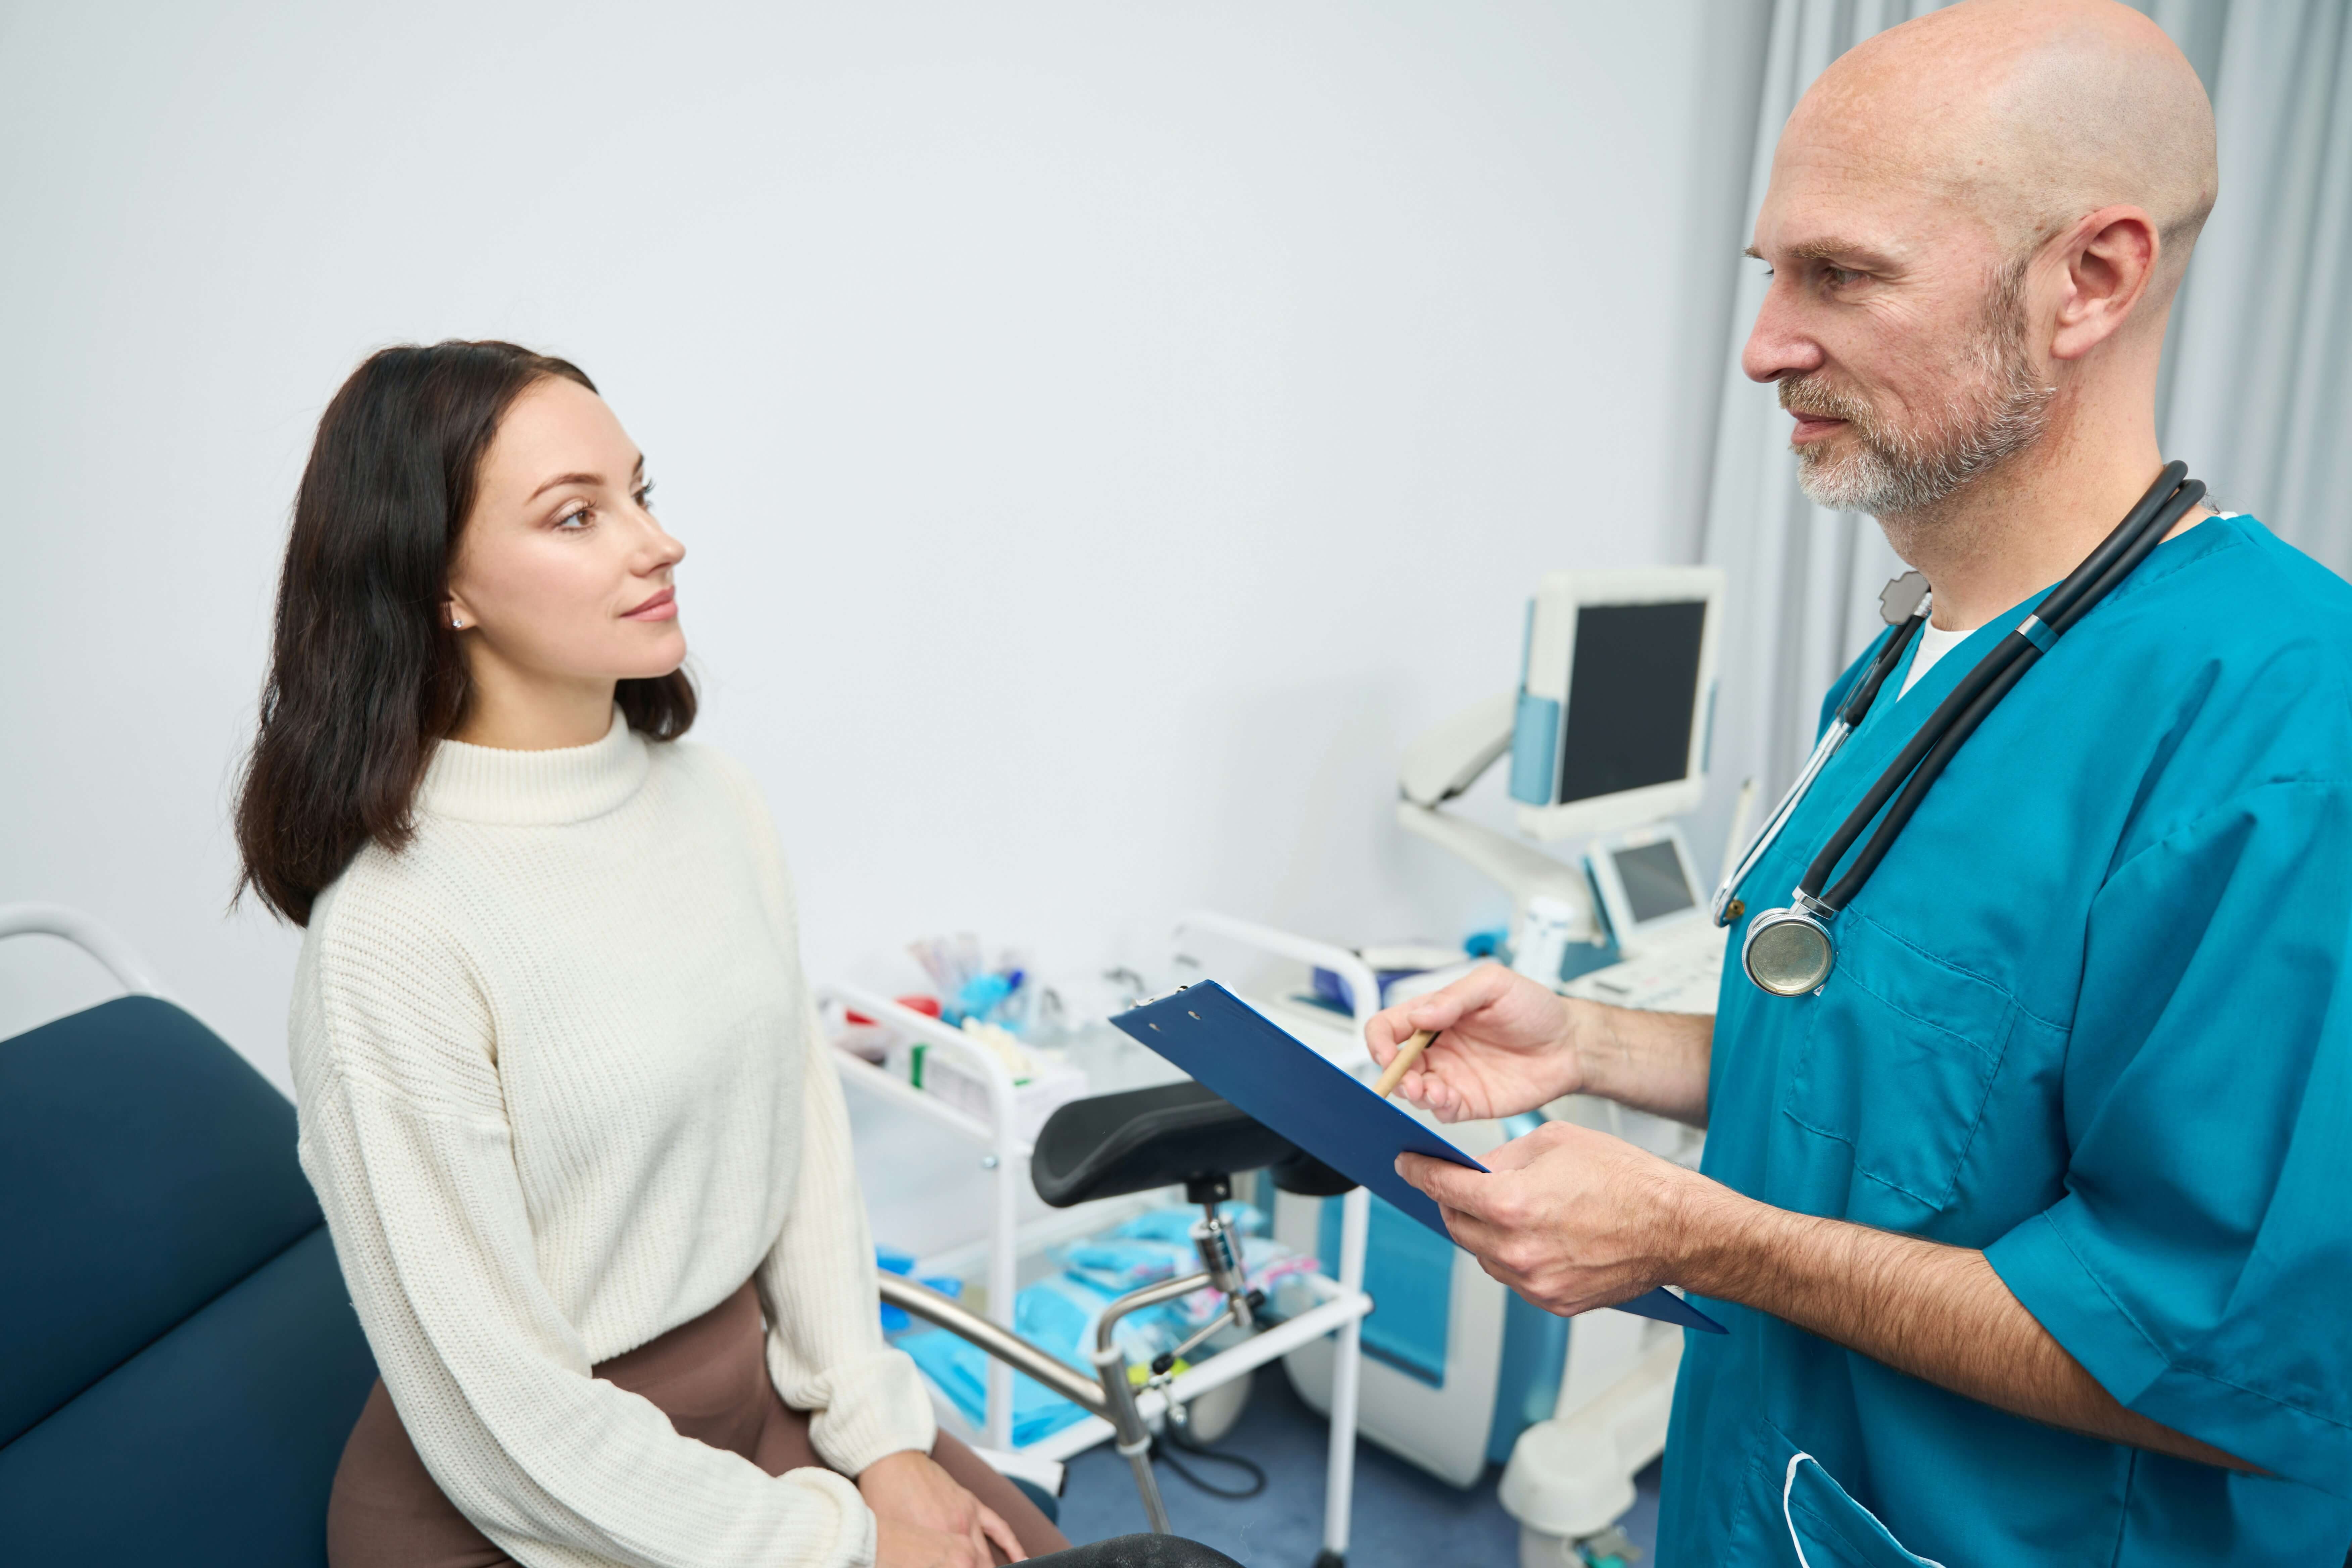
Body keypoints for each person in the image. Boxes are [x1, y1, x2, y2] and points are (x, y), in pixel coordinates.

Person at [1367, 2, 2352, 1563]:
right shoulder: (1921, 659)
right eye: (1774, 273)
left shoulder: (2289, 728)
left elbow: (2215, 1356)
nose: (1764, 345)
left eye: (1843, 275)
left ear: (2090, 280)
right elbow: (1894, 1071)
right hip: (1755, 1493)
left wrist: (1692, 1233)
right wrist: (1593, 1044)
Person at [234, 341, 1069, 1568]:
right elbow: (500, 1414)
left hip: (759, 1399)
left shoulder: (714, 801)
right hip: (527, 1492)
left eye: (641, 492)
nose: (655, 542)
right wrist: (843, 1544)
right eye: (577, 516)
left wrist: (881, 1437)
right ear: (438, 587)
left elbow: (802, 1140)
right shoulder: (393, 934)